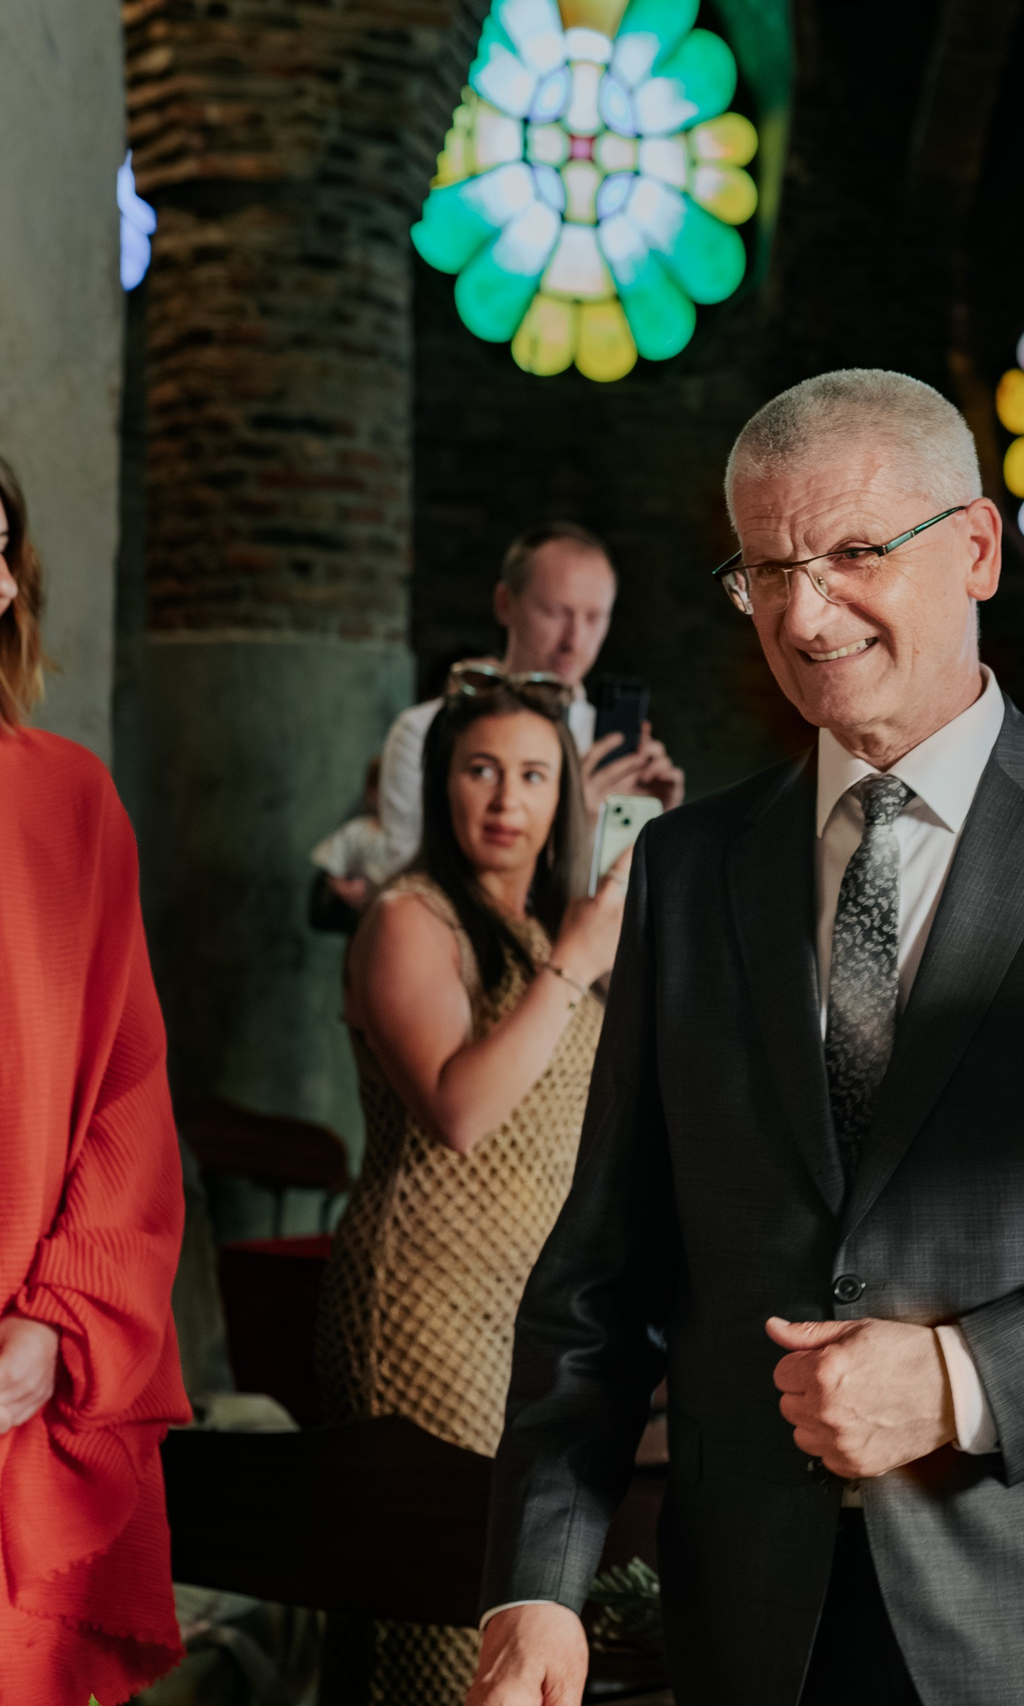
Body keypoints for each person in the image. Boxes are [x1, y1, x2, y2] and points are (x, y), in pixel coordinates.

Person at [467, 370, 1024, 1706]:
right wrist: (536, 1581)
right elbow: (601, 1273)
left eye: (856, 552)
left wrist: (965, 1378)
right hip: (755, 1618)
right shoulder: (690, 870)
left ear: (975, 545)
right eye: (765, 569)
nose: (803, 614)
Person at [0, 411, 192, 1702]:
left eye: (4, 545)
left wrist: (62, 1317)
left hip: (22, 1395)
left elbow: (130, 1091)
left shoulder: (65, 797)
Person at [315, 663, 634, 1704]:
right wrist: (574, 967)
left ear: (566, 795)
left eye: (534, 775)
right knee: (438, 1630)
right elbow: (458, 1113)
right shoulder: (412, 918)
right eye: (480, 770)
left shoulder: (556, 929)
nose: (506, 800)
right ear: (440, 783)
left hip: (532, 1307)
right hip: (425, 1305)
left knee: (521, 1619)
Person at [333, 522, 685, 890]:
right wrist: (572, 822)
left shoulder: (614, 748)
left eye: (595, 617)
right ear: (505, 603)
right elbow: (409, 887)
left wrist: (664, 830)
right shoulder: (422, 731)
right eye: (555, 612)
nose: (575, 640)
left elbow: (637, 901)